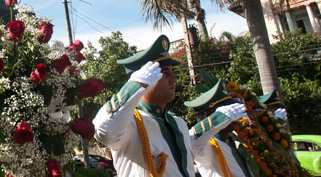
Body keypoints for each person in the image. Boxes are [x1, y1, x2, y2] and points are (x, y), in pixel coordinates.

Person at [92, 35, 247, 177]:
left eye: (172, 72)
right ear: (147, 77)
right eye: (165, 72)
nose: (173, 79)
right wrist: (134, 87)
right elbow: (103, 131)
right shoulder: (130, 122)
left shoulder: (177, 122)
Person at [185, 80, 256, 177]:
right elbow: (191, 140)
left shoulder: (232, 141)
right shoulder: (208, 146)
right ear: (207, 115)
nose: (232, 117)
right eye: (226, 110)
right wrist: (218, 119)